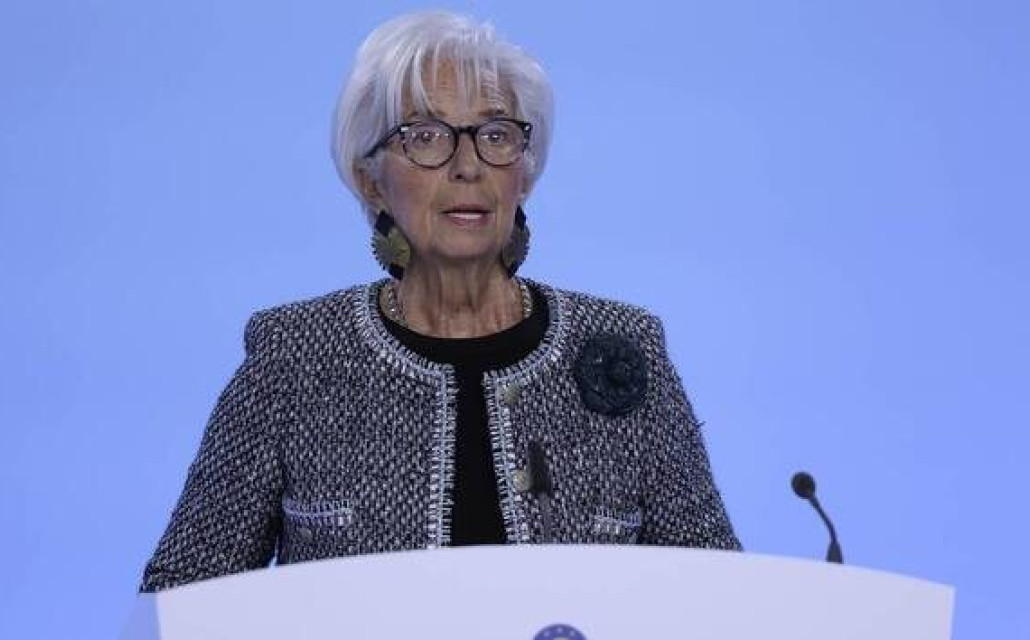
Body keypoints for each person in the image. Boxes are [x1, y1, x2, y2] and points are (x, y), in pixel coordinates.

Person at [139, 10, 740, 593]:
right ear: (371, 180)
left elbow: (720, 595)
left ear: (525, 174)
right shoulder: (294, 357)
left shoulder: (625, 346)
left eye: (496, 135)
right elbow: (178, 600)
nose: (468, 166)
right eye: (425, 137)